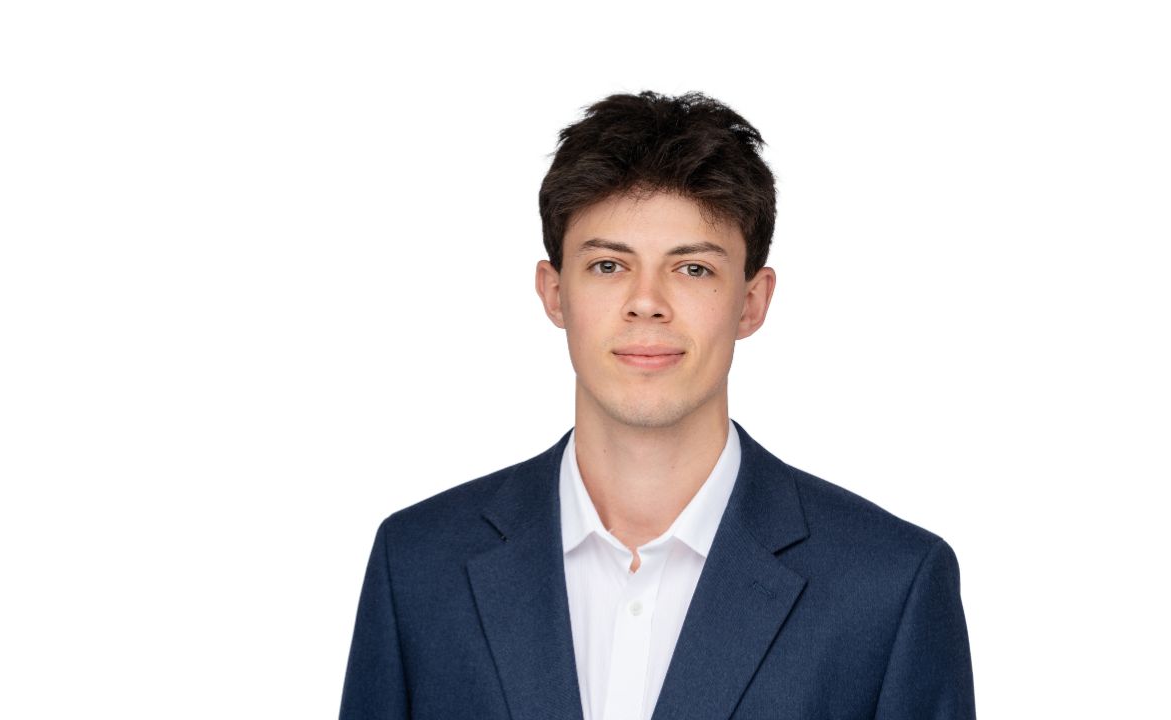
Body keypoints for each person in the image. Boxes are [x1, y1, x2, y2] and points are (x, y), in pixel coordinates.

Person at [339, 91, 975, 720]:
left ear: (752, 302)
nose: (646, 302)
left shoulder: (891, 585)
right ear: (554, 293)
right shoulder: (418, 564)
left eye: (693, 269)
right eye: (608, 266)